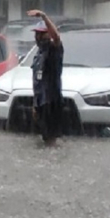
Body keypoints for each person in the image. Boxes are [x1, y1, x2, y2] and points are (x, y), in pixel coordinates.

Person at [27, 9, 64, 146]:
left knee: (51, 140)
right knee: (42, 140)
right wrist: (35, 104)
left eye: (41, 34)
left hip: (51, 101)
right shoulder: (38, 53)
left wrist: (44, 16)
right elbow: (37, 81)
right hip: (41, 102)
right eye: (37, 34)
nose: (37, 37)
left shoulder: (54, 49)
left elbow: (57, 38)